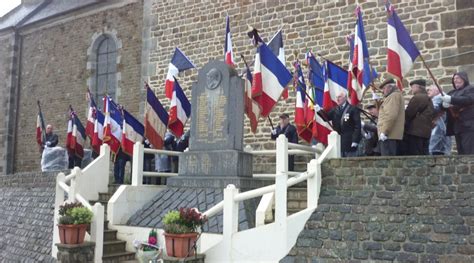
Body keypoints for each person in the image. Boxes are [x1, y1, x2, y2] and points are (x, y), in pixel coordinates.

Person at [441, 72, 474, 154]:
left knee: (468, 151)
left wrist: (451, 100)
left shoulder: (470, 89)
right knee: (461, 152)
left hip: (468, 125)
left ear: (464, 79)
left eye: (458, 78)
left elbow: (468, 99)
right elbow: (442, 106)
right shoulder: (452, 92)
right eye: (454, 78)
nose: (455, 80)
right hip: (457, 126)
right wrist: (443, 105)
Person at [401, 79, 434, 155]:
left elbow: (409, 113)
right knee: (424, 153)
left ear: (417, 87)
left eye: (412, 87)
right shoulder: (428, 98)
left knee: (416, 154)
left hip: (416, 132)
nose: (411, 89)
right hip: (426, 132)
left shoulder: (417, 97)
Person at [326, 92, 361, 157]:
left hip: (350, 141)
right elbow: (326, 118)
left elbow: (357, 126)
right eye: (337, 97)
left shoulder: (352, 109)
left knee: (350, 163)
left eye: (339, 97)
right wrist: (318, 110)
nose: (337, 99)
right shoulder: (334, 110)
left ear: (345, 98)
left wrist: (355, 140)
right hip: (338, 141)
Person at [377, 79, 405, 156]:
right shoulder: (395, 95)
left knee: (388, 161)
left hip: (389, 135)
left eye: (384, 88)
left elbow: (391, 115)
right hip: (391, 135)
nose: (383, 91)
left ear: (389, 87)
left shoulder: (393, 96)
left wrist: (384, 132)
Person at [427, 85, 452, 155]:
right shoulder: (437, 98)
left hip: (438, 129)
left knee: (435, 152)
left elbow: (432, 110)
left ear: (437, 91)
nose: (428, 91)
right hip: (439, 128)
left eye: (430, 90)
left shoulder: (439, 98)